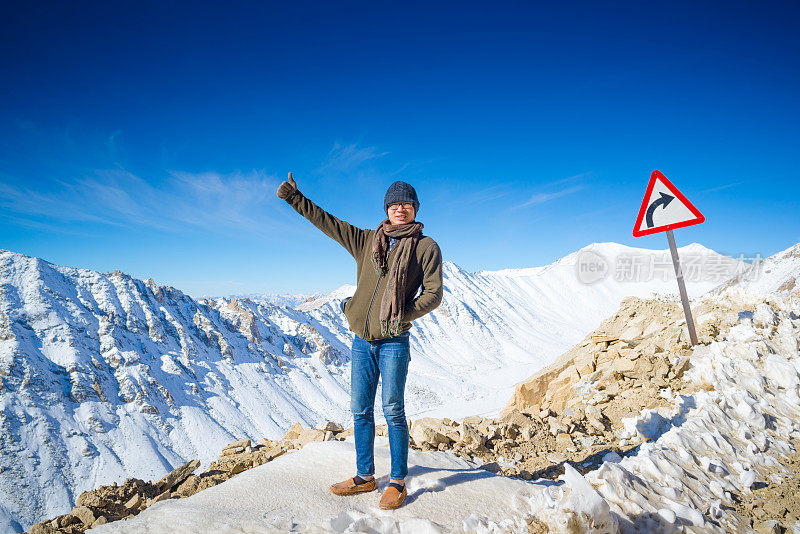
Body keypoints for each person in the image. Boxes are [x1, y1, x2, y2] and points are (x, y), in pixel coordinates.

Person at [277, 172, 443, 510]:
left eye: (407, 204)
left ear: (415, 209)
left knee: (393, 410)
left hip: (394, 341)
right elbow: (328, 223)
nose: (401, 208)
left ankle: (397, 482)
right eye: (395, 203)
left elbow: (434, 294)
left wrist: (401, 315)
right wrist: (296, 198)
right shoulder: (368, 240)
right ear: (387, 208)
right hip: (361, 341)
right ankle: (365, 476)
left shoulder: (425, 247)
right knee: (360, 410)